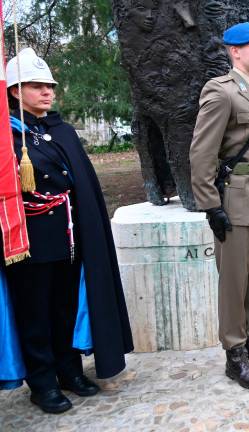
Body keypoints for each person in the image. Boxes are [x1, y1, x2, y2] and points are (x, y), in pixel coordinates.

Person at [2, 48, 133, 413]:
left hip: (69, 237)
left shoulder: (59, 130)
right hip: (28, 242)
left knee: (65, 308)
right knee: (35, 315)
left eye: (50, 86)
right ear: (15, 90)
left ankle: (68, 370)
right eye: (37, 86)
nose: (48, 92)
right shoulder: (6, 137)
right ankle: (41, 384)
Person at [189, 22, 249, 392]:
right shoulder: (220, 93)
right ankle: (234, 354)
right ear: (235, 51)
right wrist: (211, 206)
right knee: (234, 281)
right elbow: (201, 155)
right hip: (234, 200)